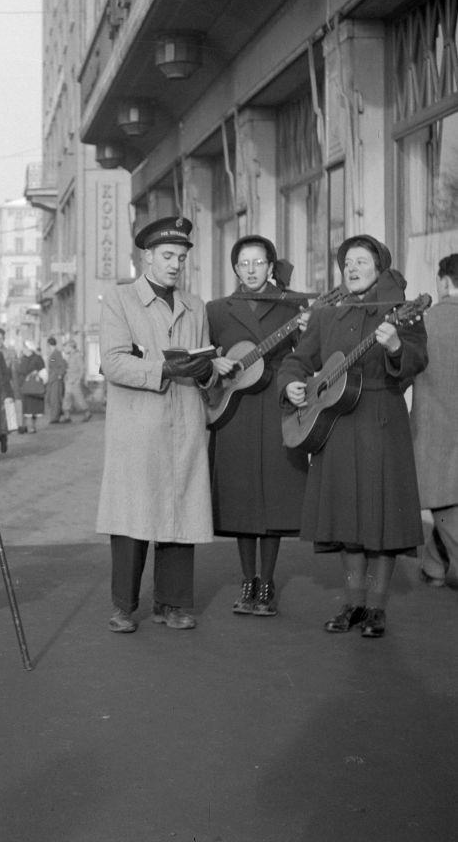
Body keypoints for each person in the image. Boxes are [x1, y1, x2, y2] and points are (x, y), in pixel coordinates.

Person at [278, 235, 427, 638]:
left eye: (362, 261)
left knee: (381, 519)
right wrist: (291, 384)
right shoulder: (327, 316)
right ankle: (353, 603)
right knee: (346, 517)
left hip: (382, 419)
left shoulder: (401, 312)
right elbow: (297, 360)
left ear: (378, 268)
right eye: (348, 263)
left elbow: (417, 360)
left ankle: (376, 608)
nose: (353, 268)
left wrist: (396, 347)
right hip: (336, 425)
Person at [95, 216, 233, 633]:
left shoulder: (195, 306)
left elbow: (203, 367)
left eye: (182, 257)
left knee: (179, 513)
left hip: (185, 422)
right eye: (168, 256)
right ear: (146, 256)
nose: (176, 264)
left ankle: (172, 604)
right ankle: (124, 605)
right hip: (138, 428)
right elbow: (113, 362)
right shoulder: (120, 301)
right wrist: (168, 369)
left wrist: (209, 370)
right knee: (133, 517)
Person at [206, 236, 307, 617]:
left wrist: (309, 328)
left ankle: (267, 580)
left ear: (270, 266)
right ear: (235, 269)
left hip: (276, 405)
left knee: (275, 495)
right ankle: (247, 579)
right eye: (243, 263)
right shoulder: (216, 311)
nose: (251, 269)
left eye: (258, 262)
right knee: (241, 497)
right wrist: (216, 369)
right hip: (234, 409)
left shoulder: (292, 305)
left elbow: (306, 353)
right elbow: (204, 358)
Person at [410, 253, 458, 587]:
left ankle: (435, 565)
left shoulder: (423, 324)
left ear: (443, 282)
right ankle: (433, 565)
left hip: (434, 432)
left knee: (445, 504)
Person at [0, 327, 16, 447]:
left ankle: (3, 435)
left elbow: (13, 371)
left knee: (4, 414)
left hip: (4, 387)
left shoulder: (9, 353)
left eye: (1, 338)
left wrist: (14, 391)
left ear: (4, 339)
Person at [13, 339, 45, 433]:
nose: (22, 349)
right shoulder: (21, 358)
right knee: (25, 407)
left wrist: (36, 373)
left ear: (29, 348)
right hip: (23, 385)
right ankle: (24, 426)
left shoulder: (37, 358)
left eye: (24, 347)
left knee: (34, 407)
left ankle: (32, 426)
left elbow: (43, 371)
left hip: (34, 386)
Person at [61, 339, 92, 422]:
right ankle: (67, 416)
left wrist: (79, 380)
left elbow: (82, 369)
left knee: (79, 398)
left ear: (71, 347)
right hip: (69, 380)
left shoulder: (77, 355)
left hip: (74, 381)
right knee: (67, 399)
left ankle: (87, 413)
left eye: (66, 347)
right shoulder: (70, 355)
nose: (64, 349)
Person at [44, 336, 68, 424]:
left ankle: (55, 417)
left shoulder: (56, 354)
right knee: (51, 398)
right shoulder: (53, 354)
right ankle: (58, 414)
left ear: (49, 344)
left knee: (55, 399)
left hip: (56, 380)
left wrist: (59, 375)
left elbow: (61, 365)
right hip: (52, 379)